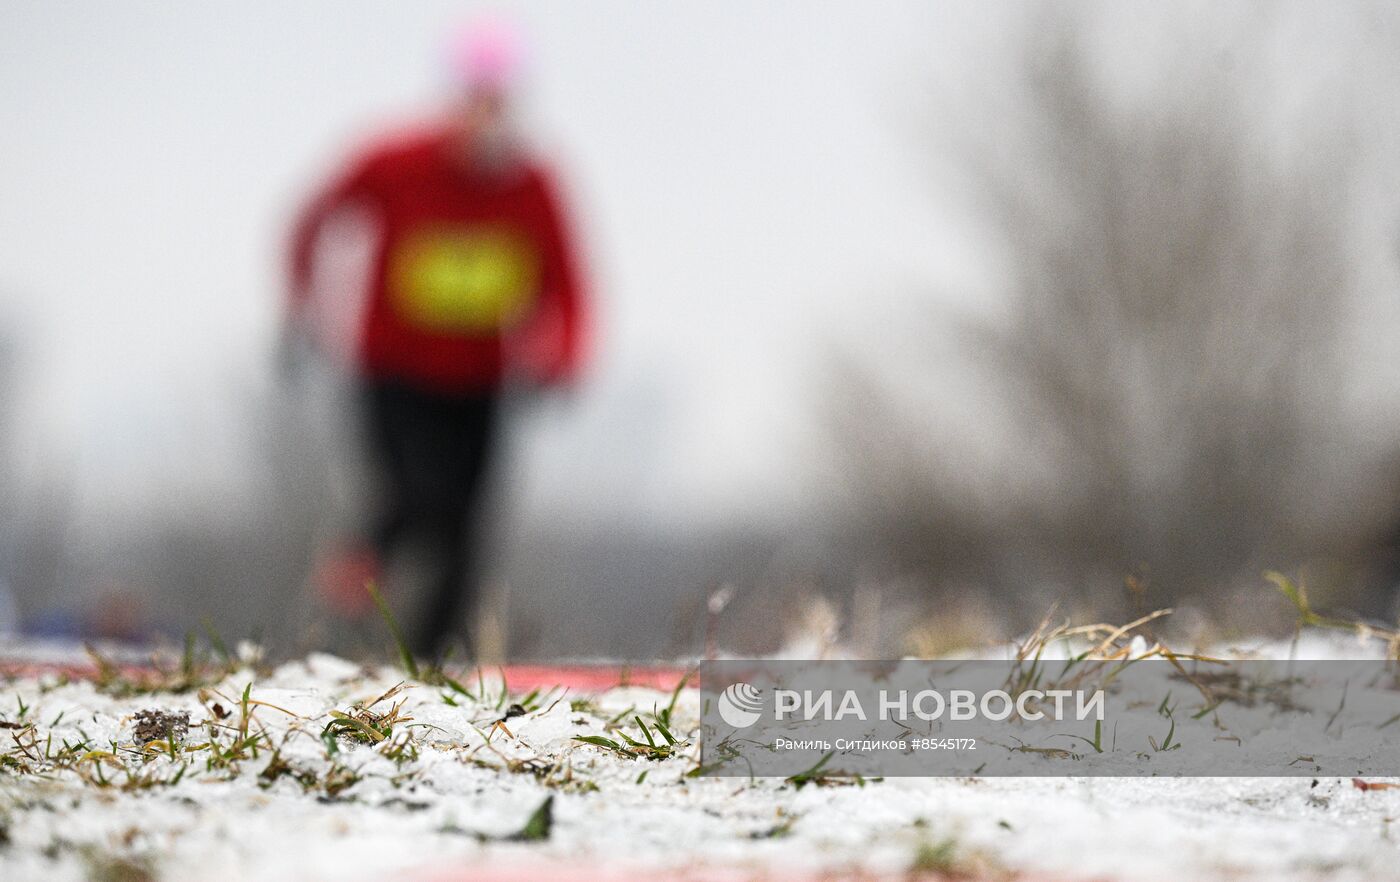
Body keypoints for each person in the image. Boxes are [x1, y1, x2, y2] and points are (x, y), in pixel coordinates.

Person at [285, 21, 587, 659]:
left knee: (466, 529)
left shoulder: (531, 185)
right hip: (393, 372)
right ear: (453, 100)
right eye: (476, 99)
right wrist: (301, 303)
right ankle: (353, 578)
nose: (487, 117)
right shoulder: (394, 162)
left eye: (500, 102)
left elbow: (567, 281)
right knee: (420, 497)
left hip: (480, 381)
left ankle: (432, 662)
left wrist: (562, 354)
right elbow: (313, 217)